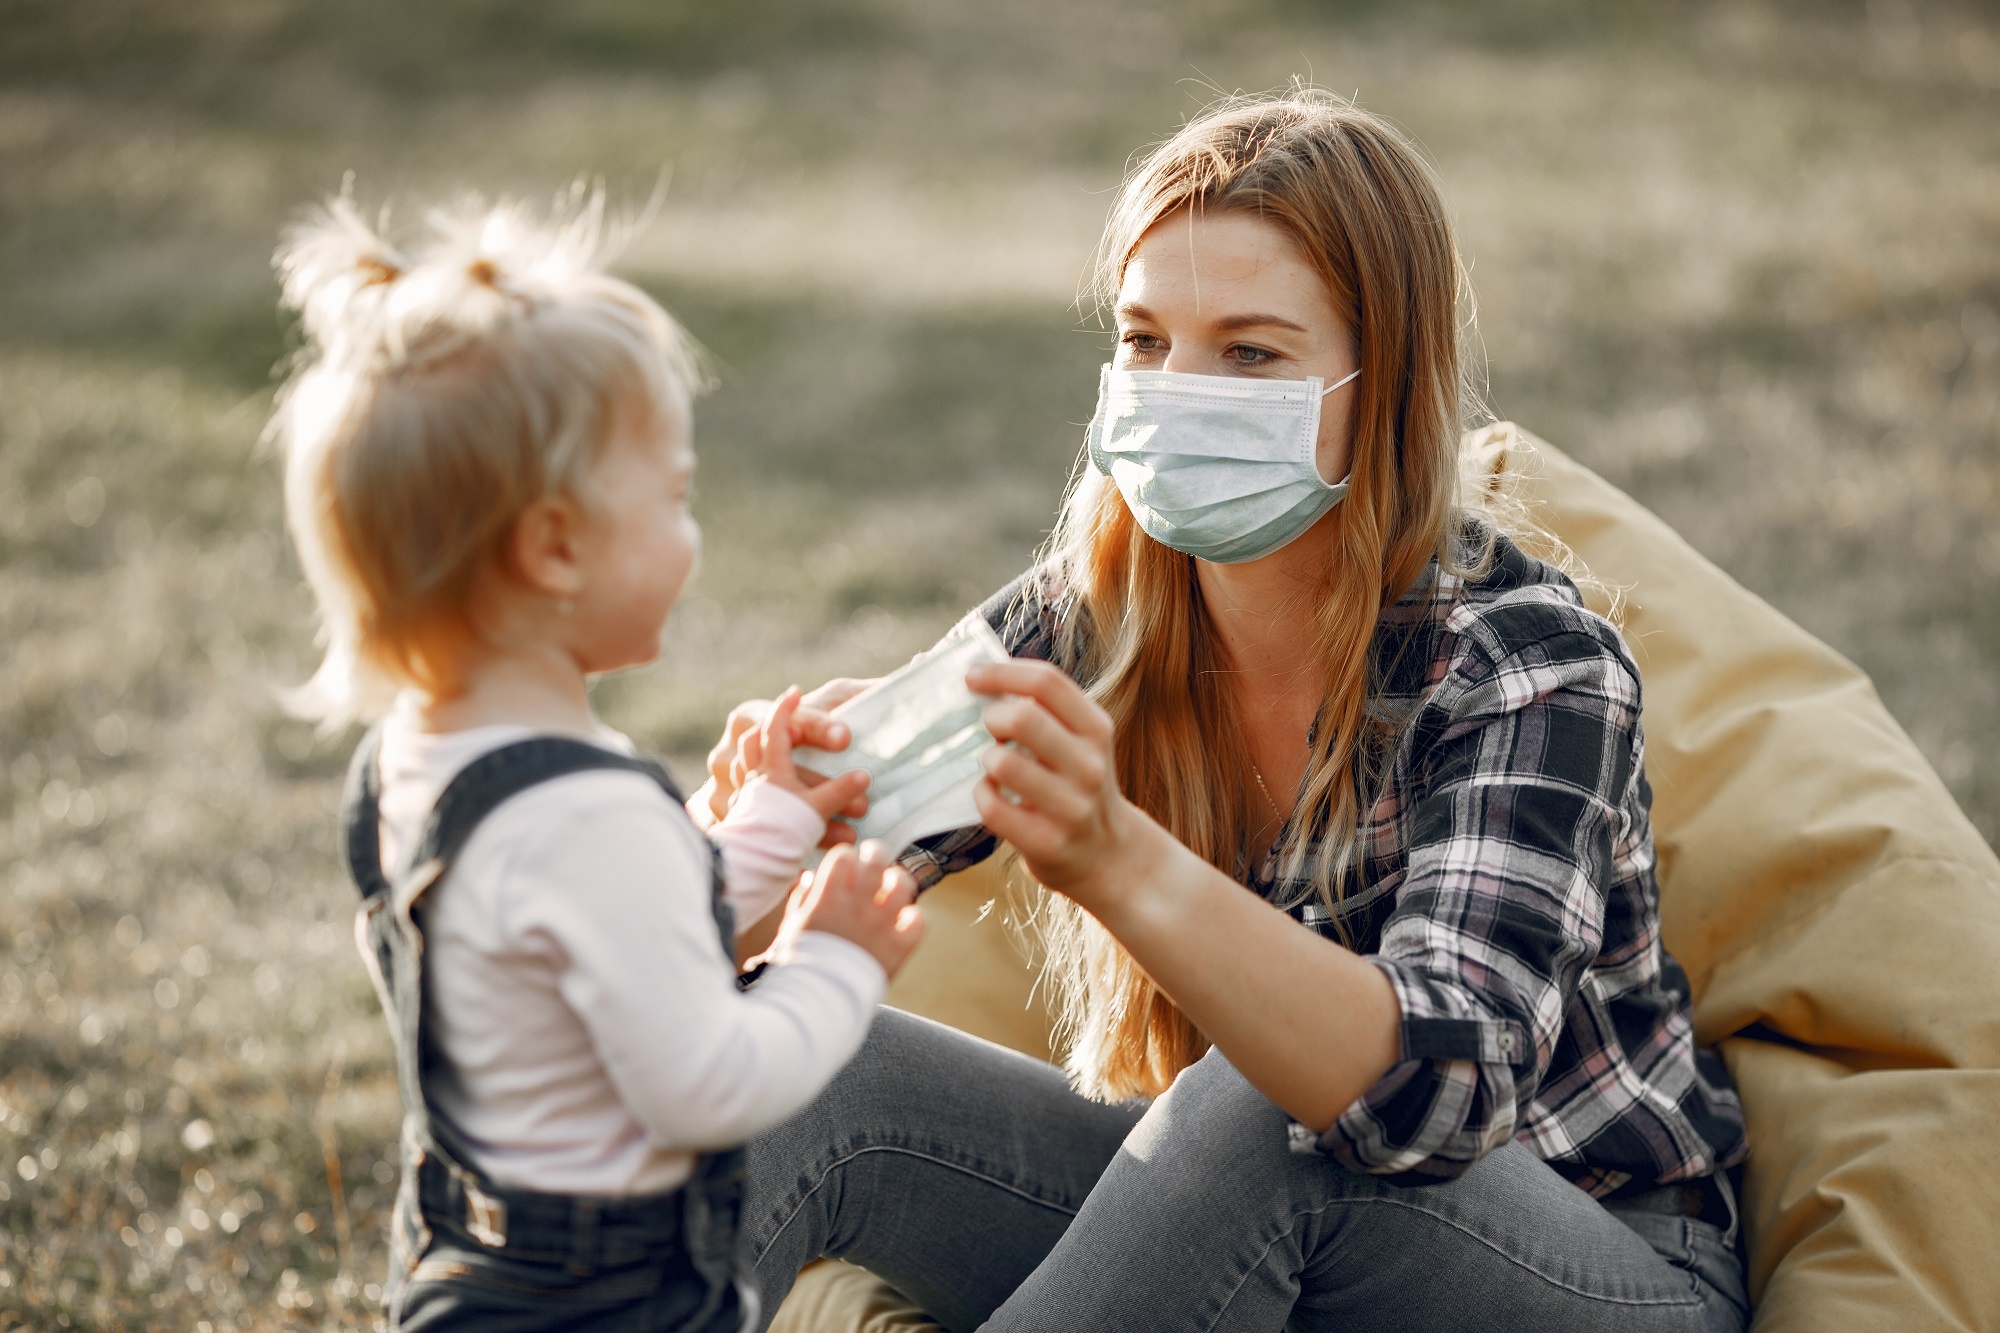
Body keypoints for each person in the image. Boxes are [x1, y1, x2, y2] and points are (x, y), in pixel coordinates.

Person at [702, 90, 1751, 1331]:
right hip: (1266, 1231)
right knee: (810, 1062)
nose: (1176, 392)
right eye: (1144, 342)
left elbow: (1436, 1097)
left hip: (1594, 1269)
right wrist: (755, 835)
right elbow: (698, 939)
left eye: (1249, 354)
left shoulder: (1529, 667)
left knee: (1265, 1102)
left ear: (1383, 385)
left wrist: (1115, 856)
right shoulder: (1091, 615)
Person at [269, 189, 925, 1330]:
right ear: (555, 547)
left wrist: (769, 825)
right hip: (611, 1304)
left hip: (462, 1266)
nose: (693, 528)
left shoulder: (415, 764)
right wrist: (833, 960)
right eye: (673, 495)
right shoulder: (588, 814)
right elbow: (707, 1084)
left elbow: (617, 939)